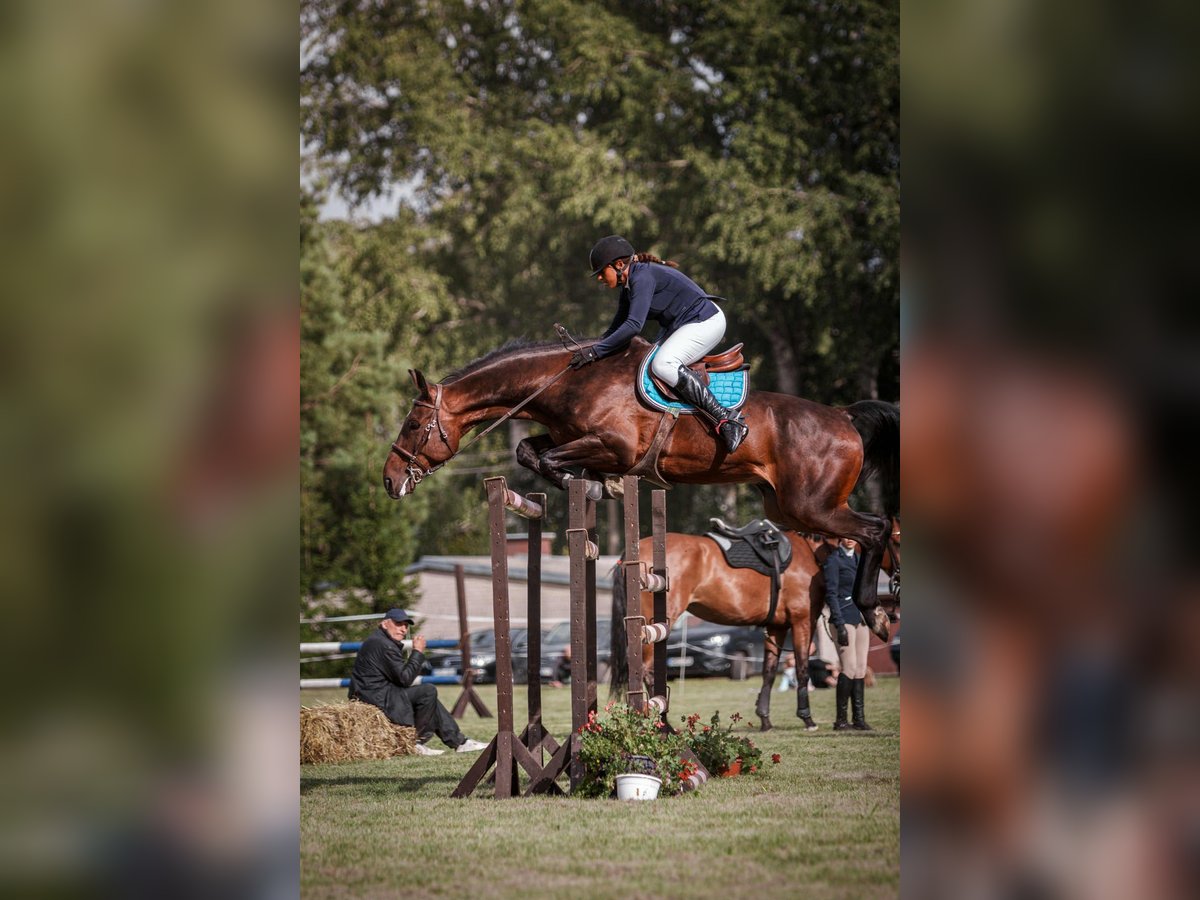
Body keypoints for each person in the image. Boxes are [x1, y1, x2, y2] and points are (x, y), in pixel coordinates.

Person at [570, 235, 749, 453]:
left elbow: (633, 326)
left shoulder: (642, 278)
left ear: (618, 265)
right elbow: (614, 329)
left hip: (706, 321)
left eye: (601, 271)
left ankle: (727, 420)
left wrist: (595, 352)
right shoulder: (629, 285)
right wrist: (590, 351)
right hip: (685, 323)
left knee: (663, 364)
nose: (599, 278)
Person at [348, 609, 488, 755]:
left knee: (428, 695)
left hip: (376, 695)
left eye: (405, 625)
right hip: (376, 699)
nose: (403, 629)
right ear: (384, 624)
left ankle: (459, 742)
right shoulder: (384, 645)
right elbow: (405, 679)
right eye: (398, 624)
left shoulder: (379, 640)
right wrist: (418, 652)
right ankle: (415, 742)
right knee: (427, 691)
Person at [823, 539, 873, 731]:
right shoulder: (834, 560)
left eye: (853, 536)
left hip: (860, 618)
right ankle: (841, 721)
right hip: (843, 618)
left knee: (860, 669)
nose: (850, 539)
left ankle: (859, 719)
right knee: (849, 667)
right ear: (840, 538)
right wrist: (839, 623)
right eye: (846, 536)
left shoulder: (859, 559)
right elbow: (831, 594)